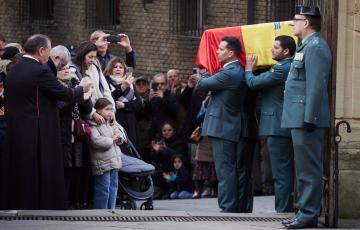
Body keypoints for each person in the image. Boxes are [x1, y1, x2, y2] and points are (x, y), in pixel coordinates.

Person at [0, 34, 92, 210]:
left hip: (16, 130)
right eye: (48, 51)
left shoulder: (15, 70)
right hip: (38, 131)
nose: (49, 56)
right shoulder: (39, 71)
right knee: (38, 172)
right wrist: (82, 88)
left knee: (22, 172)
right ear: (41, 50)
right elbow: (65, 94)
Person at [281, 6, 332, 229]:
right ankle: (304, 211)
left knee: (309, 168)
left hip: (306, 118)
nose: (292, 23)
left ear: (307, 23)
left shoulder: (317, 47)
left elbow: (316, 85)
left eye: (296, 20)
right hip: (298, 116)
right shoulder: (307, 46)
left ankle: (309, 214)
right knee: (302, 168)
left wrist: (310, 117)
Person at [194, 36, 254, 213]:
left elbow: (201, 85)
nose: (217, 51)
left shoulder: (229, 72)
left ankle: (228, 206)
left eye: (220, 49)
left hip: (224, 127)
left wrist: (204, 72)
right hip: (227, 126)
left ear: (230, 53)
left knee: (225, 170)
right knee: (229, 168)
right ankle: (233, 205)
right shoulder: (234, 71)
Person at [245, 35, 297, 213]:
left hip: (277, 126)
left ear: (286, 51)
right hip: (283, 125)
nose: (271, 50)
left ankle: (282, 210)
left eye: (275, 47)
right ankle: (286, 207)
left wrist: (248, 69)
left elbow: (253, 83)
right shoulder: (286, 66)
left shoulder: (281, 68)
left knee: (281, 172)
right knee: (285, 170)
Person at [88, 98, 123, 209]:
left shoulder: (111, 123)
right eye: (107, 109)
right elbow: (96, 141)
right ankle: (101, 211)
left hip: (114, 161)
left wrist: (119, 138)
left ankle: (111, 209)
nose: (110, 112)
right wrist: (112, 140)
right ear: (98, 111)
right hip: (102, 163)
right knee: (103, 188)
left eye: (111, 109)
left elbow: (119, 133)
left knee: (113, 186)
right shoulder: (93, 125)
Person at [103, 57, 142, 147]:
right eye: (115, 67)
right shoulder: (105, 82)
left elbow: (139, 105)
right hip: (114, 121)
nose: (118, 69)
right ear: (110, 69)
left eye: (121, 67)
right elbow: (107, 99)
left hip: (130, 123)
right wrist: (121, 88)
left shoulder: (130, 84)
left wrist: (124, 105)